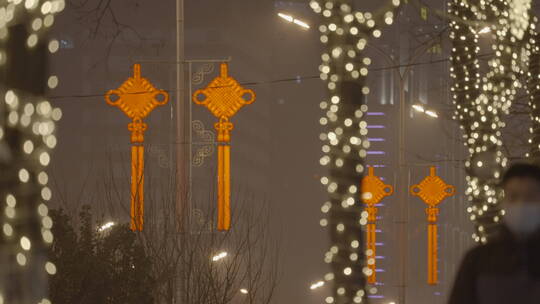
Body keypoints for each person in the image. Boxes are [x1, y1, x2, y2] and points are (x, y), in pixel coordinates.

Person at [448, 162, 540, 304]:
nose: (521, 204)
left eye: (530, 197)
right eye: (513, 197)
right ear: (504, 201)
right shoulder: (478, 261)